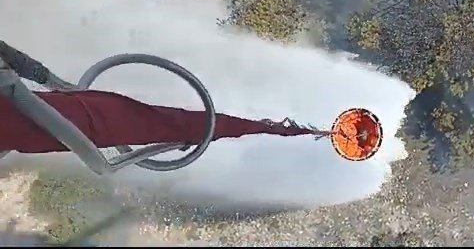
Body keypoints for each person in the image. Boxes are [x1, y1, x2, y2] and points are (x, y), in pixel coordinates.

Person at [0, 41, 328, 154]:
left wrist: (44, 77)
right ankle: (261, 128)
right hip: (26, 117)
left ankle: (267, 128)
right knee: (120, 121)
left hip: (29, 111)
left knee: (129, 120)